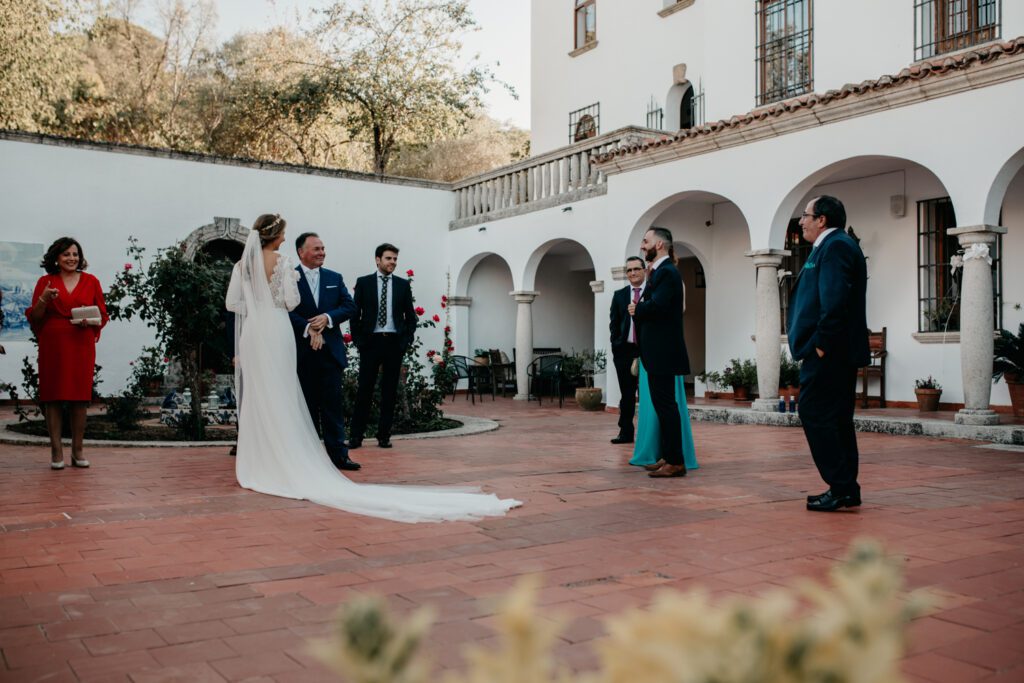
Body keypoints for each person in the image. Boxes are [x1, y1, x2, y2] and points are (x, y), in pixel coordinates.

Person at [225, 215, 519, 522]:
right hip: (283, 335)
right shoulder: (284, 263)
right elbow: (291, 301)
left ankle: (266, 461)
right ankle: (290, 460)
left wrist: (314, 319)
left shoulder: (243, 266)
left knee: (266, 396)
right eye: (287, 235)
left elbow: (234, 304)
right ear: (286, 241)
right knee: (287, 397)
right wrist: (307, 326)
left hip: (256, 336)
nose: (320, 251)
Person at [788, 195, 869, 512]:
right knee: (836, 419)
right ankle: (845, 488)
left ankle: (841, 486)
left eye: (805, 215)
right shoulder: (833, 245)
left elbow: (834, 300)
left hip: (829, 352)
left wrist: (819, 346)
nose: (801, 221)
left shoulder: (835, 246)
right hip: (834, 351)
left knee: (815, 413)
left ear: (821, 219)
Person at [26, 237, 109, 470]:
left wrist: (89, 321)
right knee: (52, 396)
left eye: (75, 254)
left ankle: (78, 450)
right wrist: (45, 298)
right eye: (66, 254)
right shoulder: (46, 281)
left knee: (79, 397)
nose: (72, 258)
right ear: (56, 258)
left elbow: (102, 314)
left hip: (81, 342)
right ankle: (56, 451)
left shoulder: (91, 281)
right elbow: (35, 317)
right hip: (53, 343)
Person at [289, 232, 359, 470]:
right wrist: (310, 327)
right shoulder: (289, 278)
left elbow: (349, 306)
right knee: (305, 409)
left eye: (323, 248)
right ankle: (307, 457)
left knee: (333, 408)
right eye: (316, 249)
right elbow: (285, 312)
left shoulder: (334, 277)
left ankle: (339, 455)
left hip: (331, 354)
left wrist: (327, 318)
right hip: (303, 354)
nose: (322, 253)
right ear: (301, 252)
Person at [629, 245, 698, 473]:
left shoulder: (668, 272)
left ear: (659, 244)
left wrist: (637, 309)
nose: (642, 245)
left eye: (646, 240)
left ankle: (676, 461)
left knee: (667, 407)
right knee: (663, 406)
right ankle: (668, 456)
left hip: (663, 352)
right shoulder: (659, 273)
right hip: (656, 352)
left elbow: (659, 307)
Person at [348, 243, 418, 449]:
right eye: (389, 258)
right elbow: (355, 314)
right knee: (364, 390)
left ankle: (384, 436)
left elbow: (410, 317)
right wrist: (360, 342)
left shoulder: (403, 285)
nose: (393, 262)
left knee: (390, 391)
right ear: (378, 259)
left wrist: (405, 340)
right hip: (371, 343)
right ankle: (356, 436)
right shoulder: (364, 283)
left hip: (394, 343)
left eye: (395, 259)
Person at [609, 256, 645, 444]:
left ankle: (650, 435)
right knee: (627, 394)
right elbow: (614, 324)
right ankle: (625, 432)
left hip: (647, 350)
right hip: (625, 350)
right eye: (629, 270)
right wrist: (616, 345)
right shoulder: (620, 295)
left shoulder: (652, 292)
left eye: (636, 269)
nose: (632, 273)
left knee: (650, 393)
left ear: (644, 270)